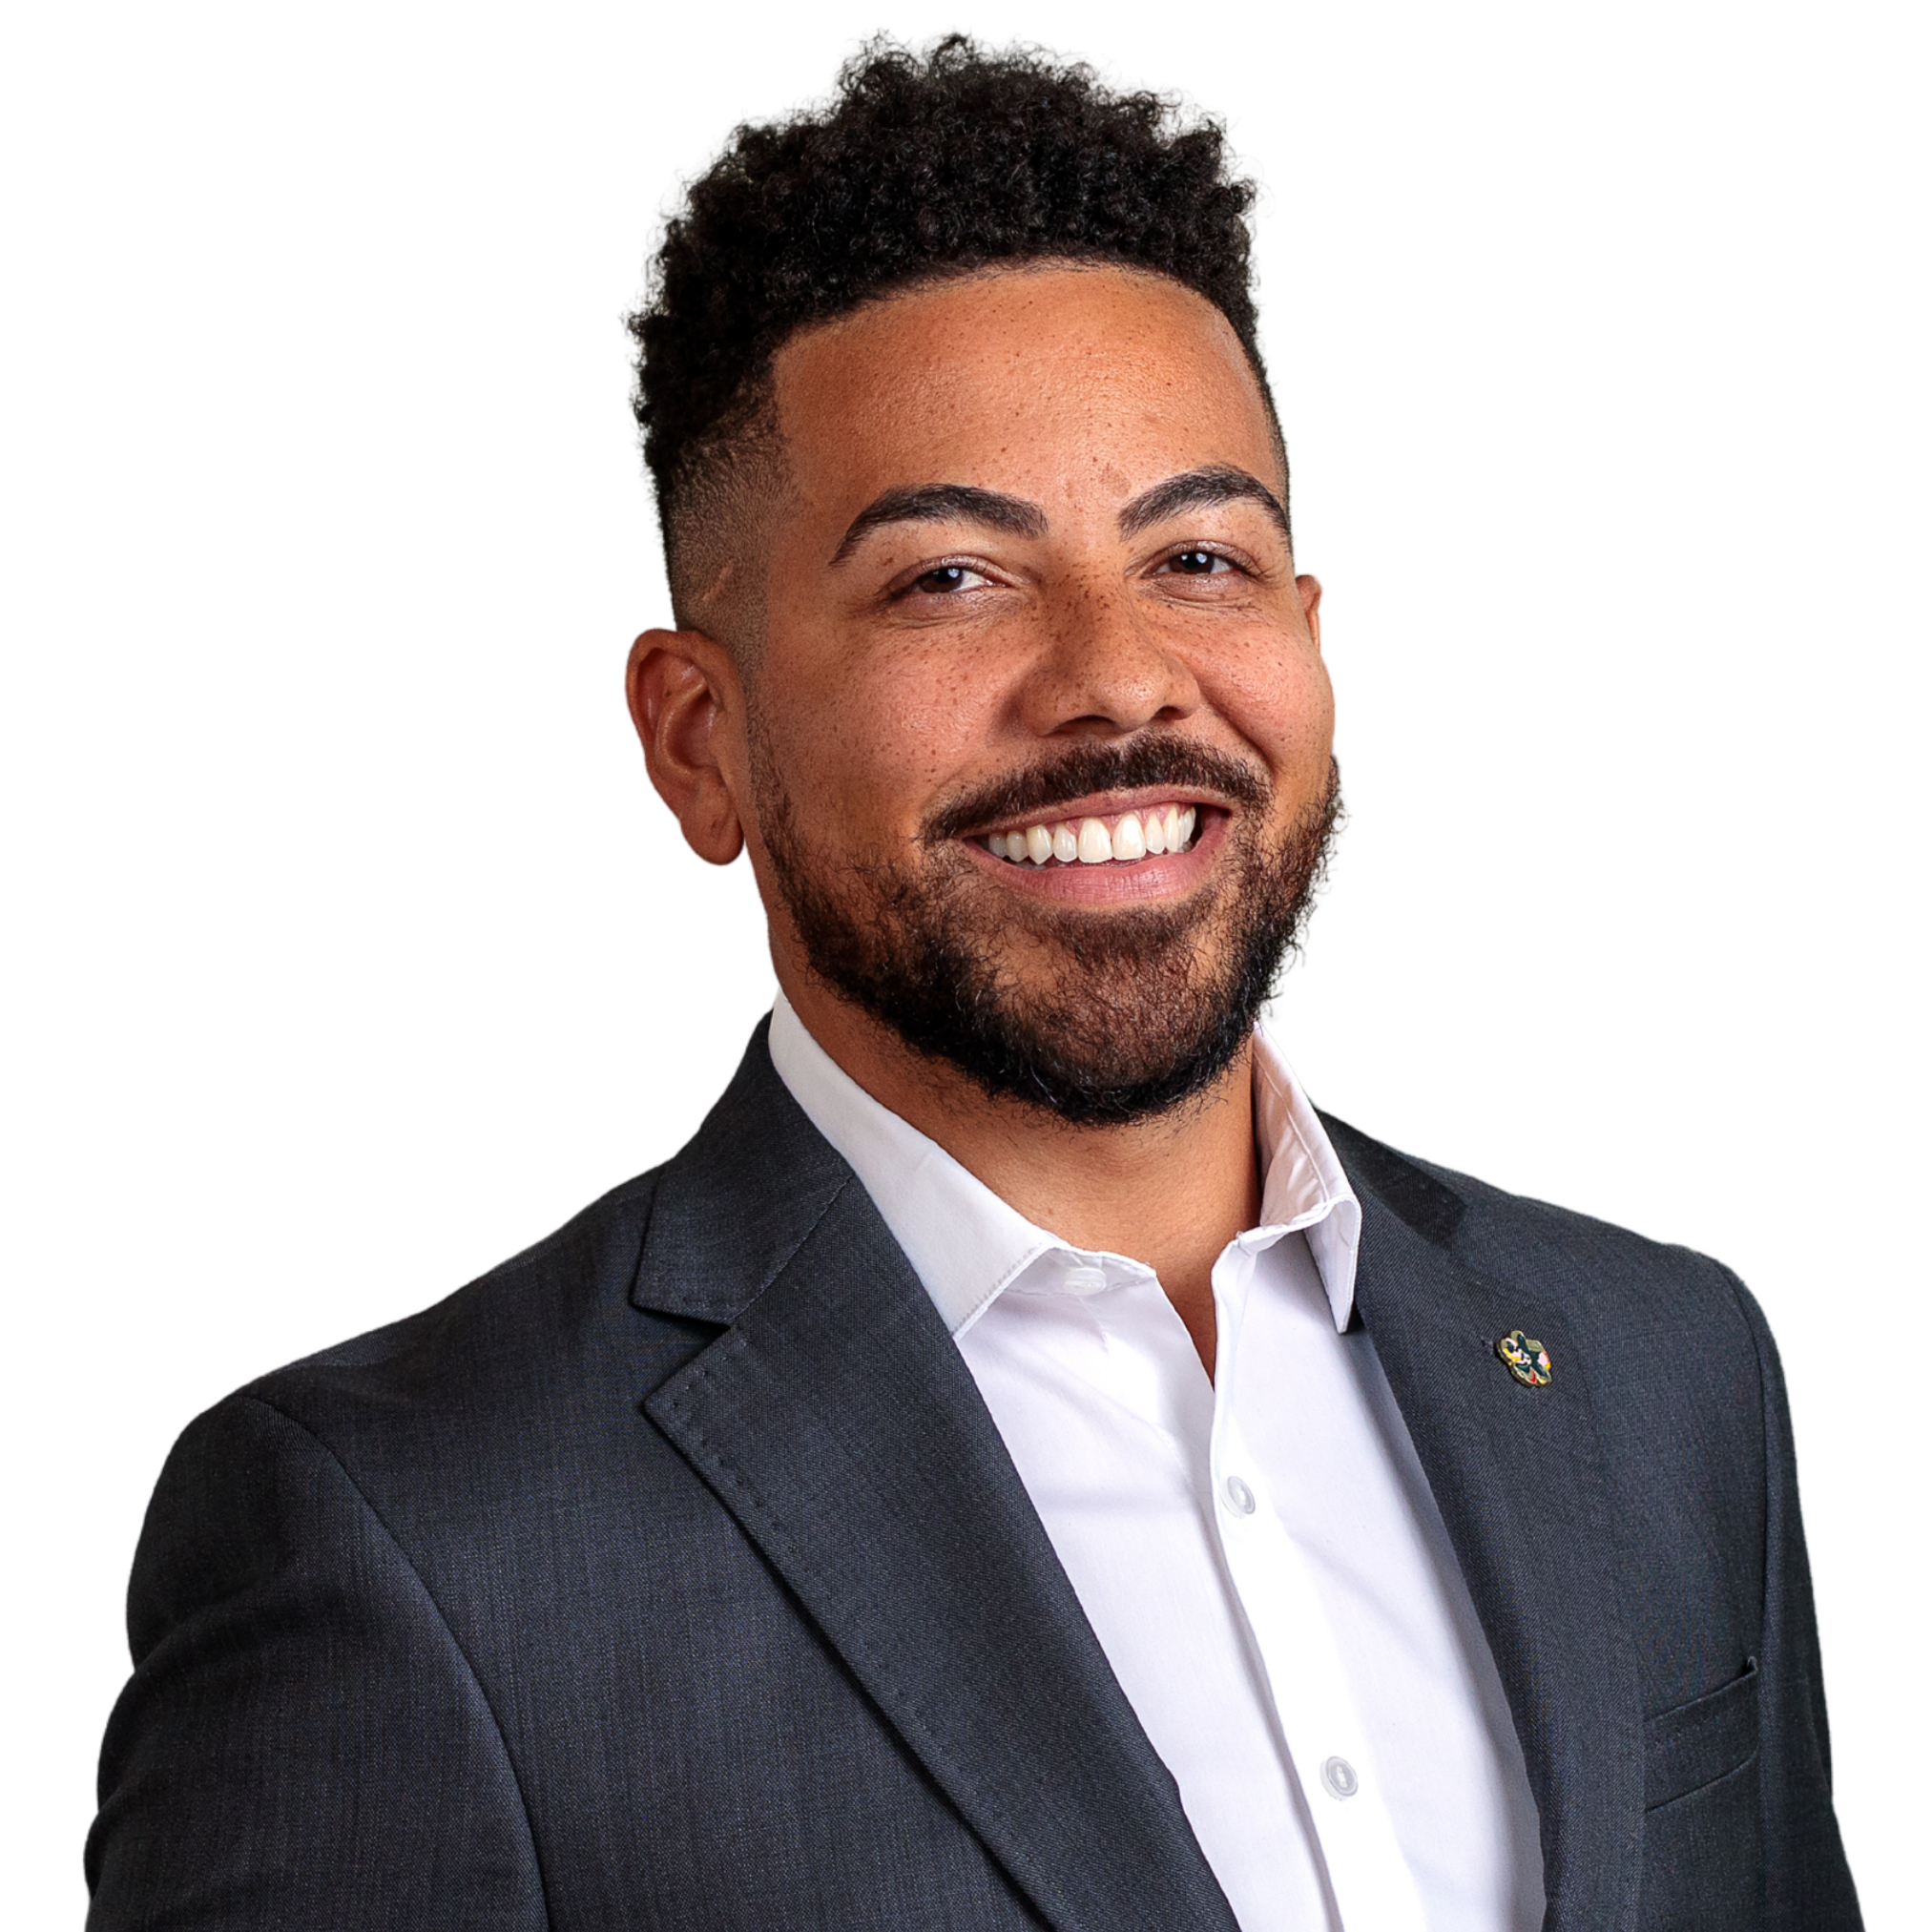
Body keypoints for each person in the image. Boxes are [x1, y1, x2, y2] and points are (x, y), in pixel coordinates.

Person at [84, 37, 1860, 1932]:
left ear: (1306, 632)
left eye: (1199, 554)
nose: (1119, 676)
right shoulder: (410, 1542)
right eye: (949, 578)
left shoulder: (1659, 1370)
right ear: (697, 739)